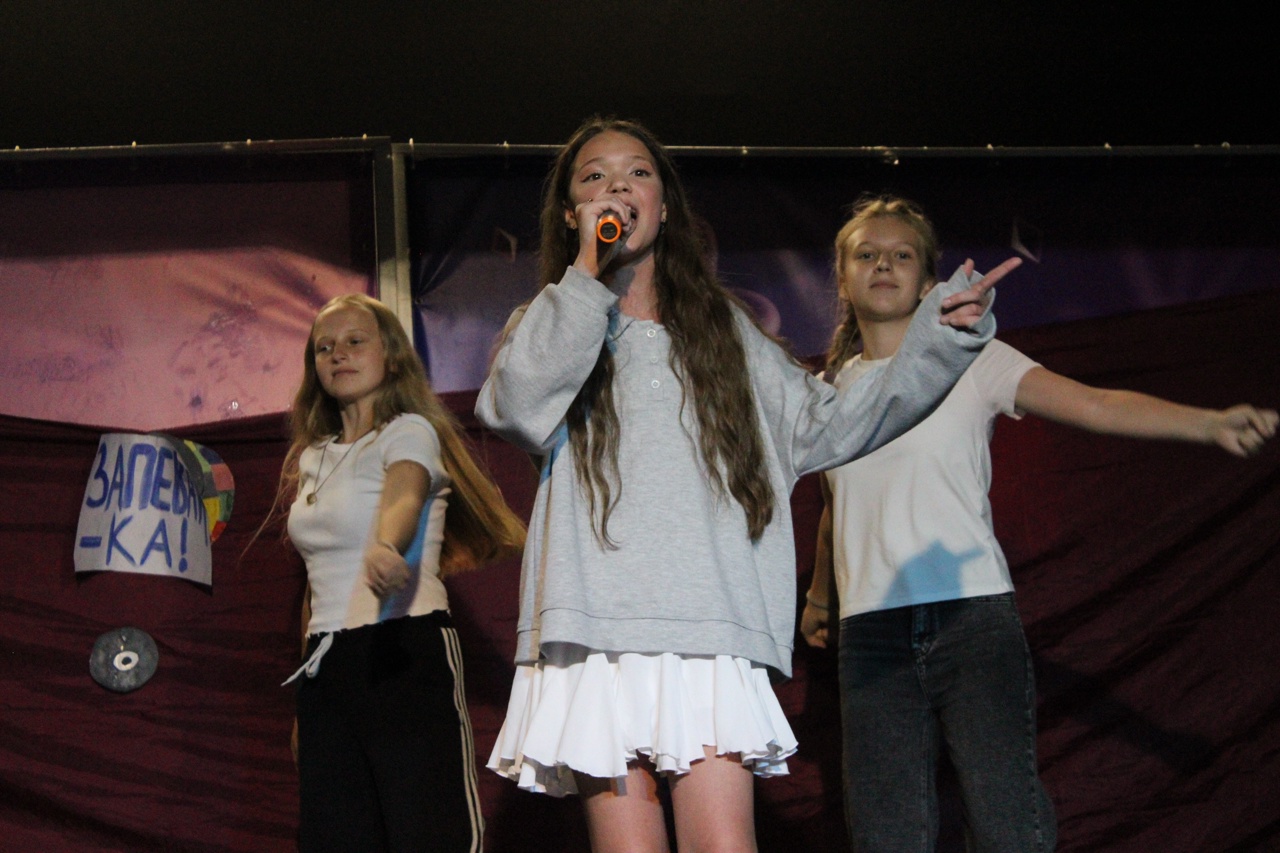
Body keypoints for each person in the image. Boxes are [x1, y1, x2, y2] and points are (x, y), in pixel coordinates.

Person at [475, 117, 1021, 853]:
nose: (617, 187)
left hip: (710, 625)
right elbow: (513, 409)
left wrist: (940, 338)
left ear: (664, 206)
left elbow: (831, 422)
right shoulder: (551, 320)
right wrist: (585, 277)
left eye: (637, 173)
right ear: (572, 214)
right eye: (594, 177)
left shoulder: (726, 333)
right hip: (596, 629)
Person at [801, 195, 1279, 853]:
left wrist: (1209, 423)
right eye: (867, 254)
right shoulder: (830, 390)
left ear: (929, 280)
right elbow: (837, 500)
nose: (883, 265)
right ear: (843, 277)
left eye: (901, 254)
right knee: (887, 832)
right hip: (870, 634)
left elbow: (1094, 403)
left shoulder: (972, 359)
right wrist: (820, 595)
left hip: (972, 620)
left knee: (1007, 821)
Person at [275, 293, 526, 853]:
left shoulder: (408, 431)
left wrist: (388, 545)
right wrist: (307, 697)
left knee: (428, 832)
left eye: (355, 341)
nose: (338, 354)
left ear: (390, 355)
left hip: (404, 651)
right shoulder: (314, 457)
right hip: (327, 667)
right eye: (324, 348)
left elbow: (405, 495)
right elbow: (316, 582)